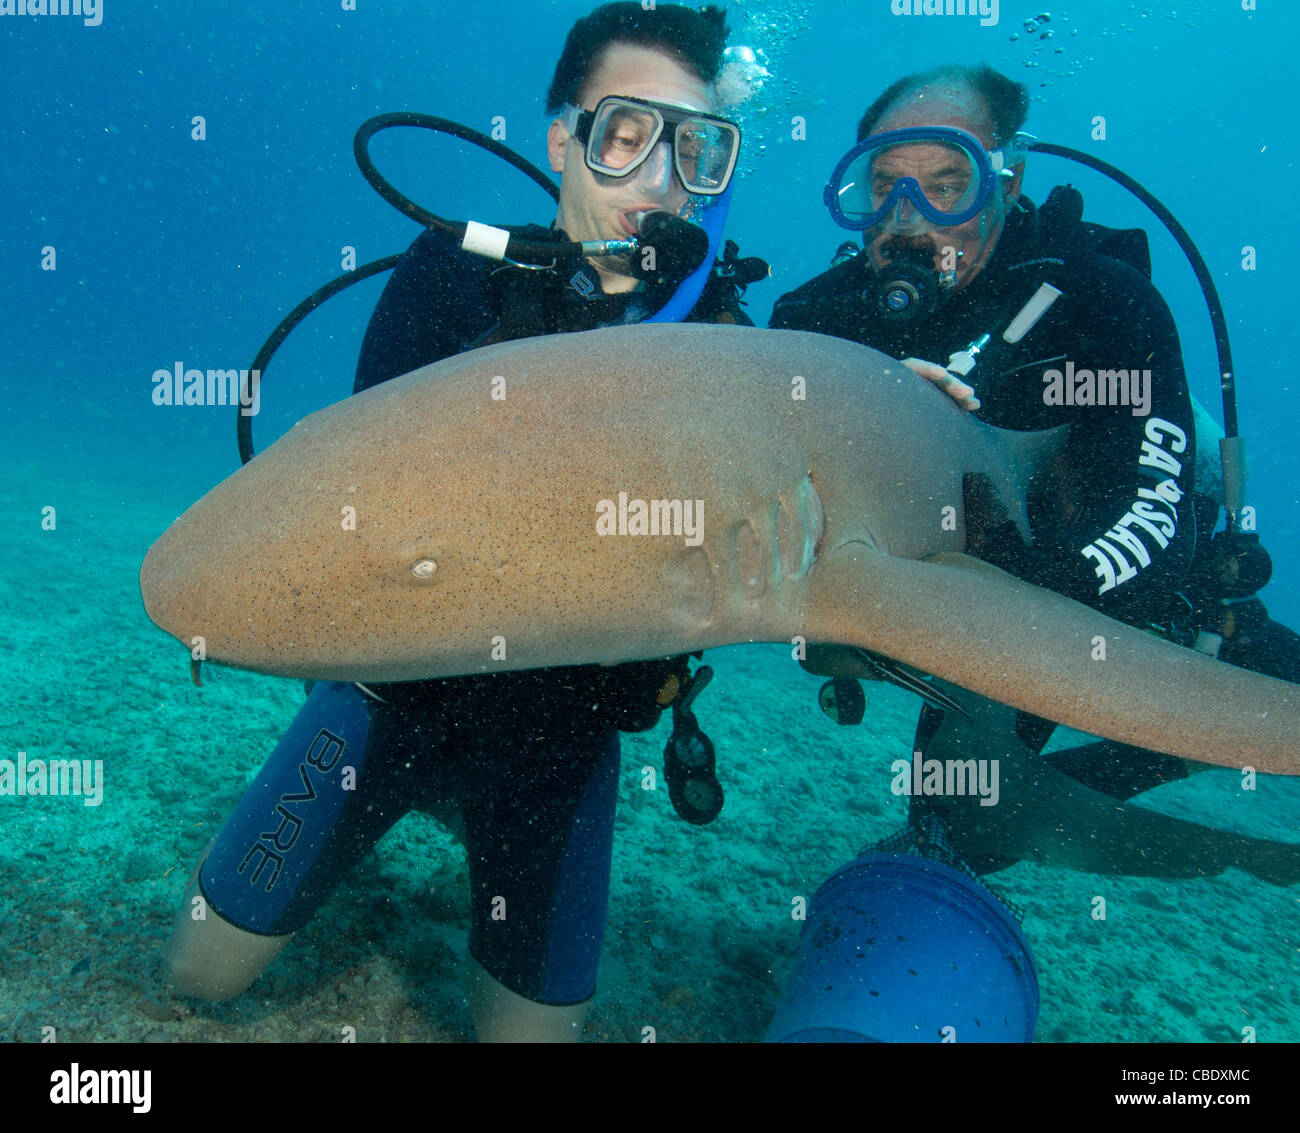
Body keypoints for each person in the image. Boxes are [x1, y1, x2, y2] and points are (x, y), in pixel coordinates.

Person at [167, 1, 763, 1041]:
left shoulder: (723, 354)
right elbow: (363, 506)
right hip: (391, 704)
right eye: (625, 134)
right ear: (562, 138)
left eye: (694, 147)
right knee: (197, 975)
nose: (658, 178)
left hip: (561, 743)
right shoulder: (452, 276)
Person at [772, 63, 1300, 882]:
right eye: (882, 187)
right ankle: (1143, 756)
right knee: (961, 822)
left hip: (1131, 601)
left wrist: (985, 600)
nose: (906, 220)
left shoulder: (1108, 308)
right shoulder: (815, 322)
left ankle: (1165, 747)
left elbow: (1150, 527)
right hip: (948, 612)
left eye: (948, 186)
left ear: (1008, 182)